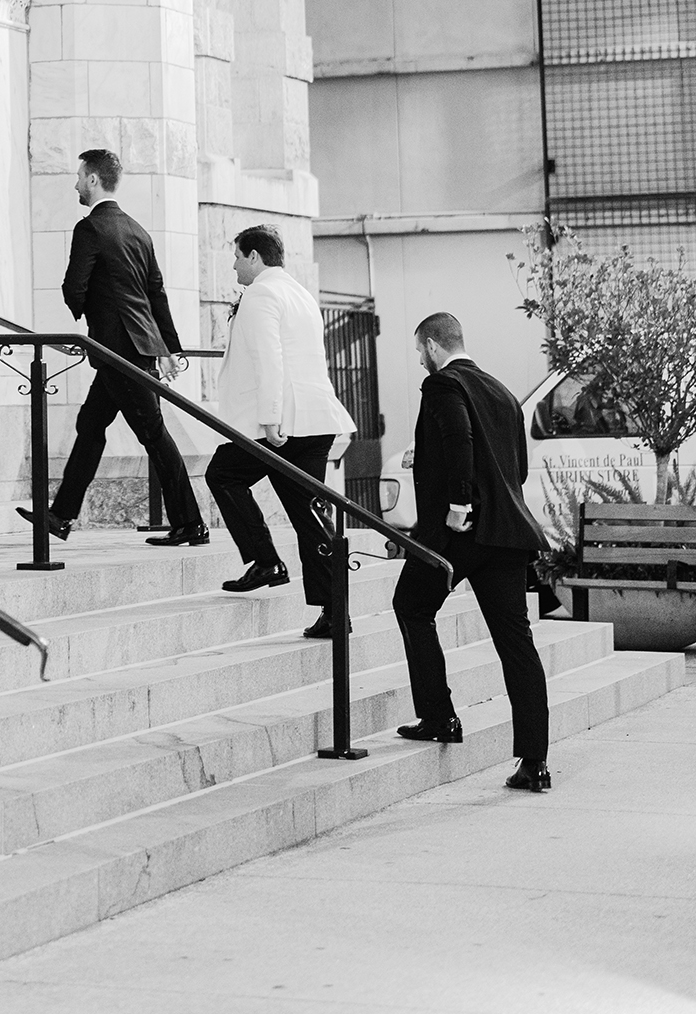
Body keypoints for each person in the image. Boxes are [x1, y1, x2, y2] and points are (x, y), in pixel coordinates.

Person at [16, 149, 208, 546]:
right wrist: (170, 347)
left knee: (153, 434)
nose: (75, 184)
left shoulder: (90, 228)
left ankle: (191, 524)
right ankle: (61, 516)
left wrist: (88, 322)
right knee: (90, 426)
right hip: (135, 349)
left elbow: (75, 287)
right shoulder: (138, 230)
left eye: (79, 176)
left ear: (92, 179)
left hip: (117, 351)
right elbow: (157, 294)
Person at [393, 311, 552, 792]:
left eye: (421, 350)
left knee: (411, 606)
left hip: (460, 533)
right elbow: (515, 468)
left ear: (435, 346)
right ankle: (534, 763)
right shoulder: (503, 392)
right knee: (516, 645)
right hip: (507, 535)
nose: (420, 360)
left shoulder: (442, 385)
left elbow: (460, 438)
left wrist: (460, 501)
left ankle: (439, 717)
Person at [207, 225, 355, 638]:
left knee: (223, 474)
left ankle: (265, 561)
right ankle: (334, 612)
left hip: (281, 423)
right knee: (308, 514)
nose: (234, 264)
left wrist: (271, 418)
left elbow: (270, 359)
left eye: (237, 256)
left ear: (255, 257)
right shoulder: (300, 293)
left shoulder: (261, 294)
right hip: (314, 418)